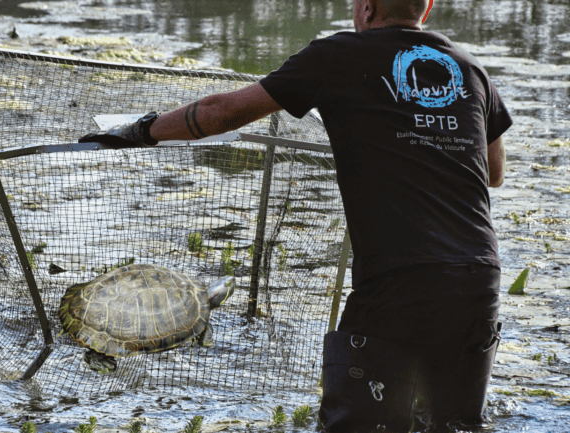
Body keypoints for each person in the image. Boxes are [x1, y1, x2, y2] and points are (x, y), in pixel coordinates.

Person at [80, 0, 511, 430]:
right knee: (455, 424)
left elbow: (221, 112)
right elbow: (493, 172)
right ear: (428, 7)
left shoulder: (338, 54)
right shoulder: (469, 68)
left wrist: (141, 130)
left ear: (366, 6)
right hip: (478, 276)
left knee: (357, 425)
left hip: (400, 278)